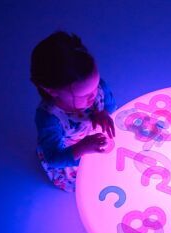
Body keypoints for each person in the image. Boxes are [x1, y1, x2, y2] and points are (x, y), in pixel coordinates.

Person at [30, 31, 116, 192]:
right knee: (86, 184)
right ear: (52, 91)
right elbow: (53, 158)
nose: (95, 95)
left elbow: (109, 104)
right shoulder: (49, 118)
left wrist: (103, 113)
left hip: (91, 142)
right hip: (70, 156)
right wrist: (82, 148)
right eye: (85, 95)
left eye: (96, 86)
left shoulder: (95, 87)